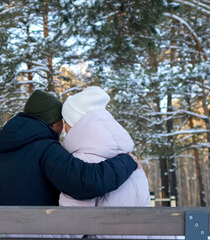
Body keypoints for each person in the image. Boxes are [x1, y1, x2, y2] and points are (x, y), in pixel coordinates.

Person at [0, 89, 139, 207]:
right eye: (63, 121)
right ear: (55, 123)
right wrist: (126, 161)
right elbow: (86, 182)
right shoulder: (46, 150)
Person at [59, 86, 150, 239]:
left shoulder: (82, 163)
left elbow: (72, 227)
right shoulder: (130, 160)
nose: (64, 128)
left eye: (65, 121)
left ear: (75, 123)